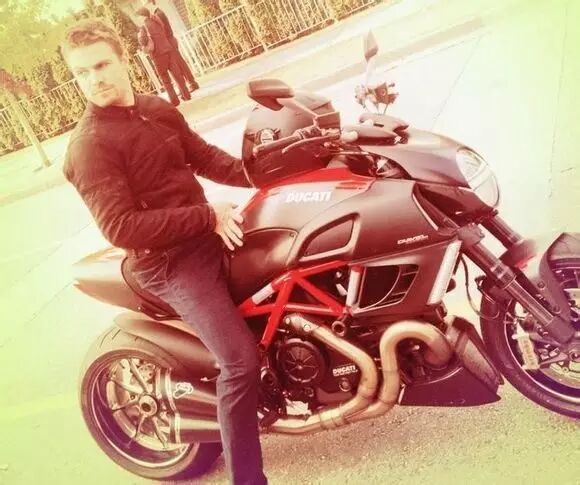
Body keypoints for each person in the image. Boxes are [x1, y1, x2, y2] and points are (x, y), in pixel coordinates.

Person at [60, 19, 267, 485]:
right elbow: (121, 227)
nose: (94, 79)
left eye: (102, 65)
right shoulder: (90, 146)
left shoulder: (155, 109)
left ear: (124, 59)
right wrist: (206, 216)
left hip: (209, 235)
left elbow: (205, 157)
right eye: (82, 72)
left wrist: (270, 172)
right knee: (239, 362)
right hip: (168, 263)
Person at [135, 6, 190, 106]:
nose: (137, 19)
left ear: (142, 16)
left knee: (165, 79)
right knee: (177, 75)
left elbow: (143, 41)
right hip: (168, 50)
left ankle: (174, 101)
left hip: (158, 55)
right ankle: (186, 95)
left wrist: (139, 36)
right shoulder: (157, 21)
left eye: (138, 16)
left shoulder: (144, 27)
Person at [144, 0, 200, 92]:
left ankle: (191, 83)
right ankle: (188, 85)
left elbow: (163, 31)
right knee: (179, 64)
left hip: (169, 41)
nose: (146, 8)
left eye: (146, 4)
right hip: (169, 41)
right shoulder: (157, 13)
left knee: (180, 64)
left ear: (151, 3)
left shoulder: (158, 14)